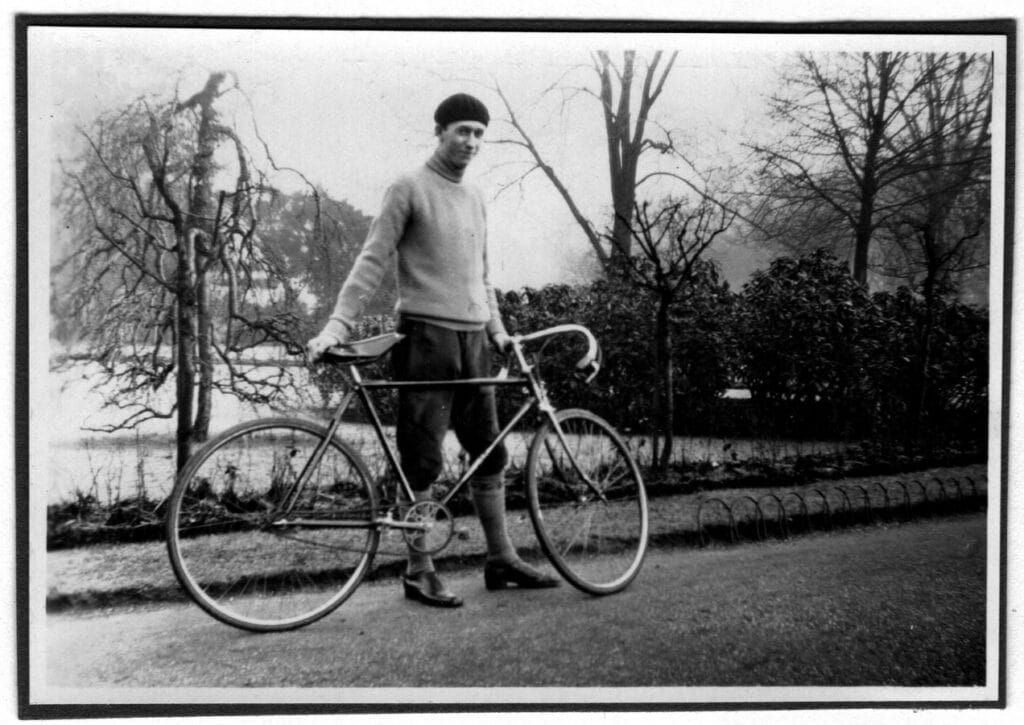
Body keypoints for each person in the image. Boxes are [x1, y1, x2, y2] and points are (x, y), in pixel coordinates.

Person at [307, 93, 559, 608]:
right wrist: (337, 325)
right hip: (425, 338)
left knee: (490, 451)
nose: (471, 142)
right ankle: (419, 570)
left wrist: (497, 330)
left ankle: (501, 558)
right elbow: (372, 260)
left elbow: (482, 276)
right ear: (440, 132)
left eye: (479, 134)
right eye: (462, 130)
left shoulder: (477, 197)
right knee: (420, 461)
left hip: (475, 345)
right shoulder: (408, 187)